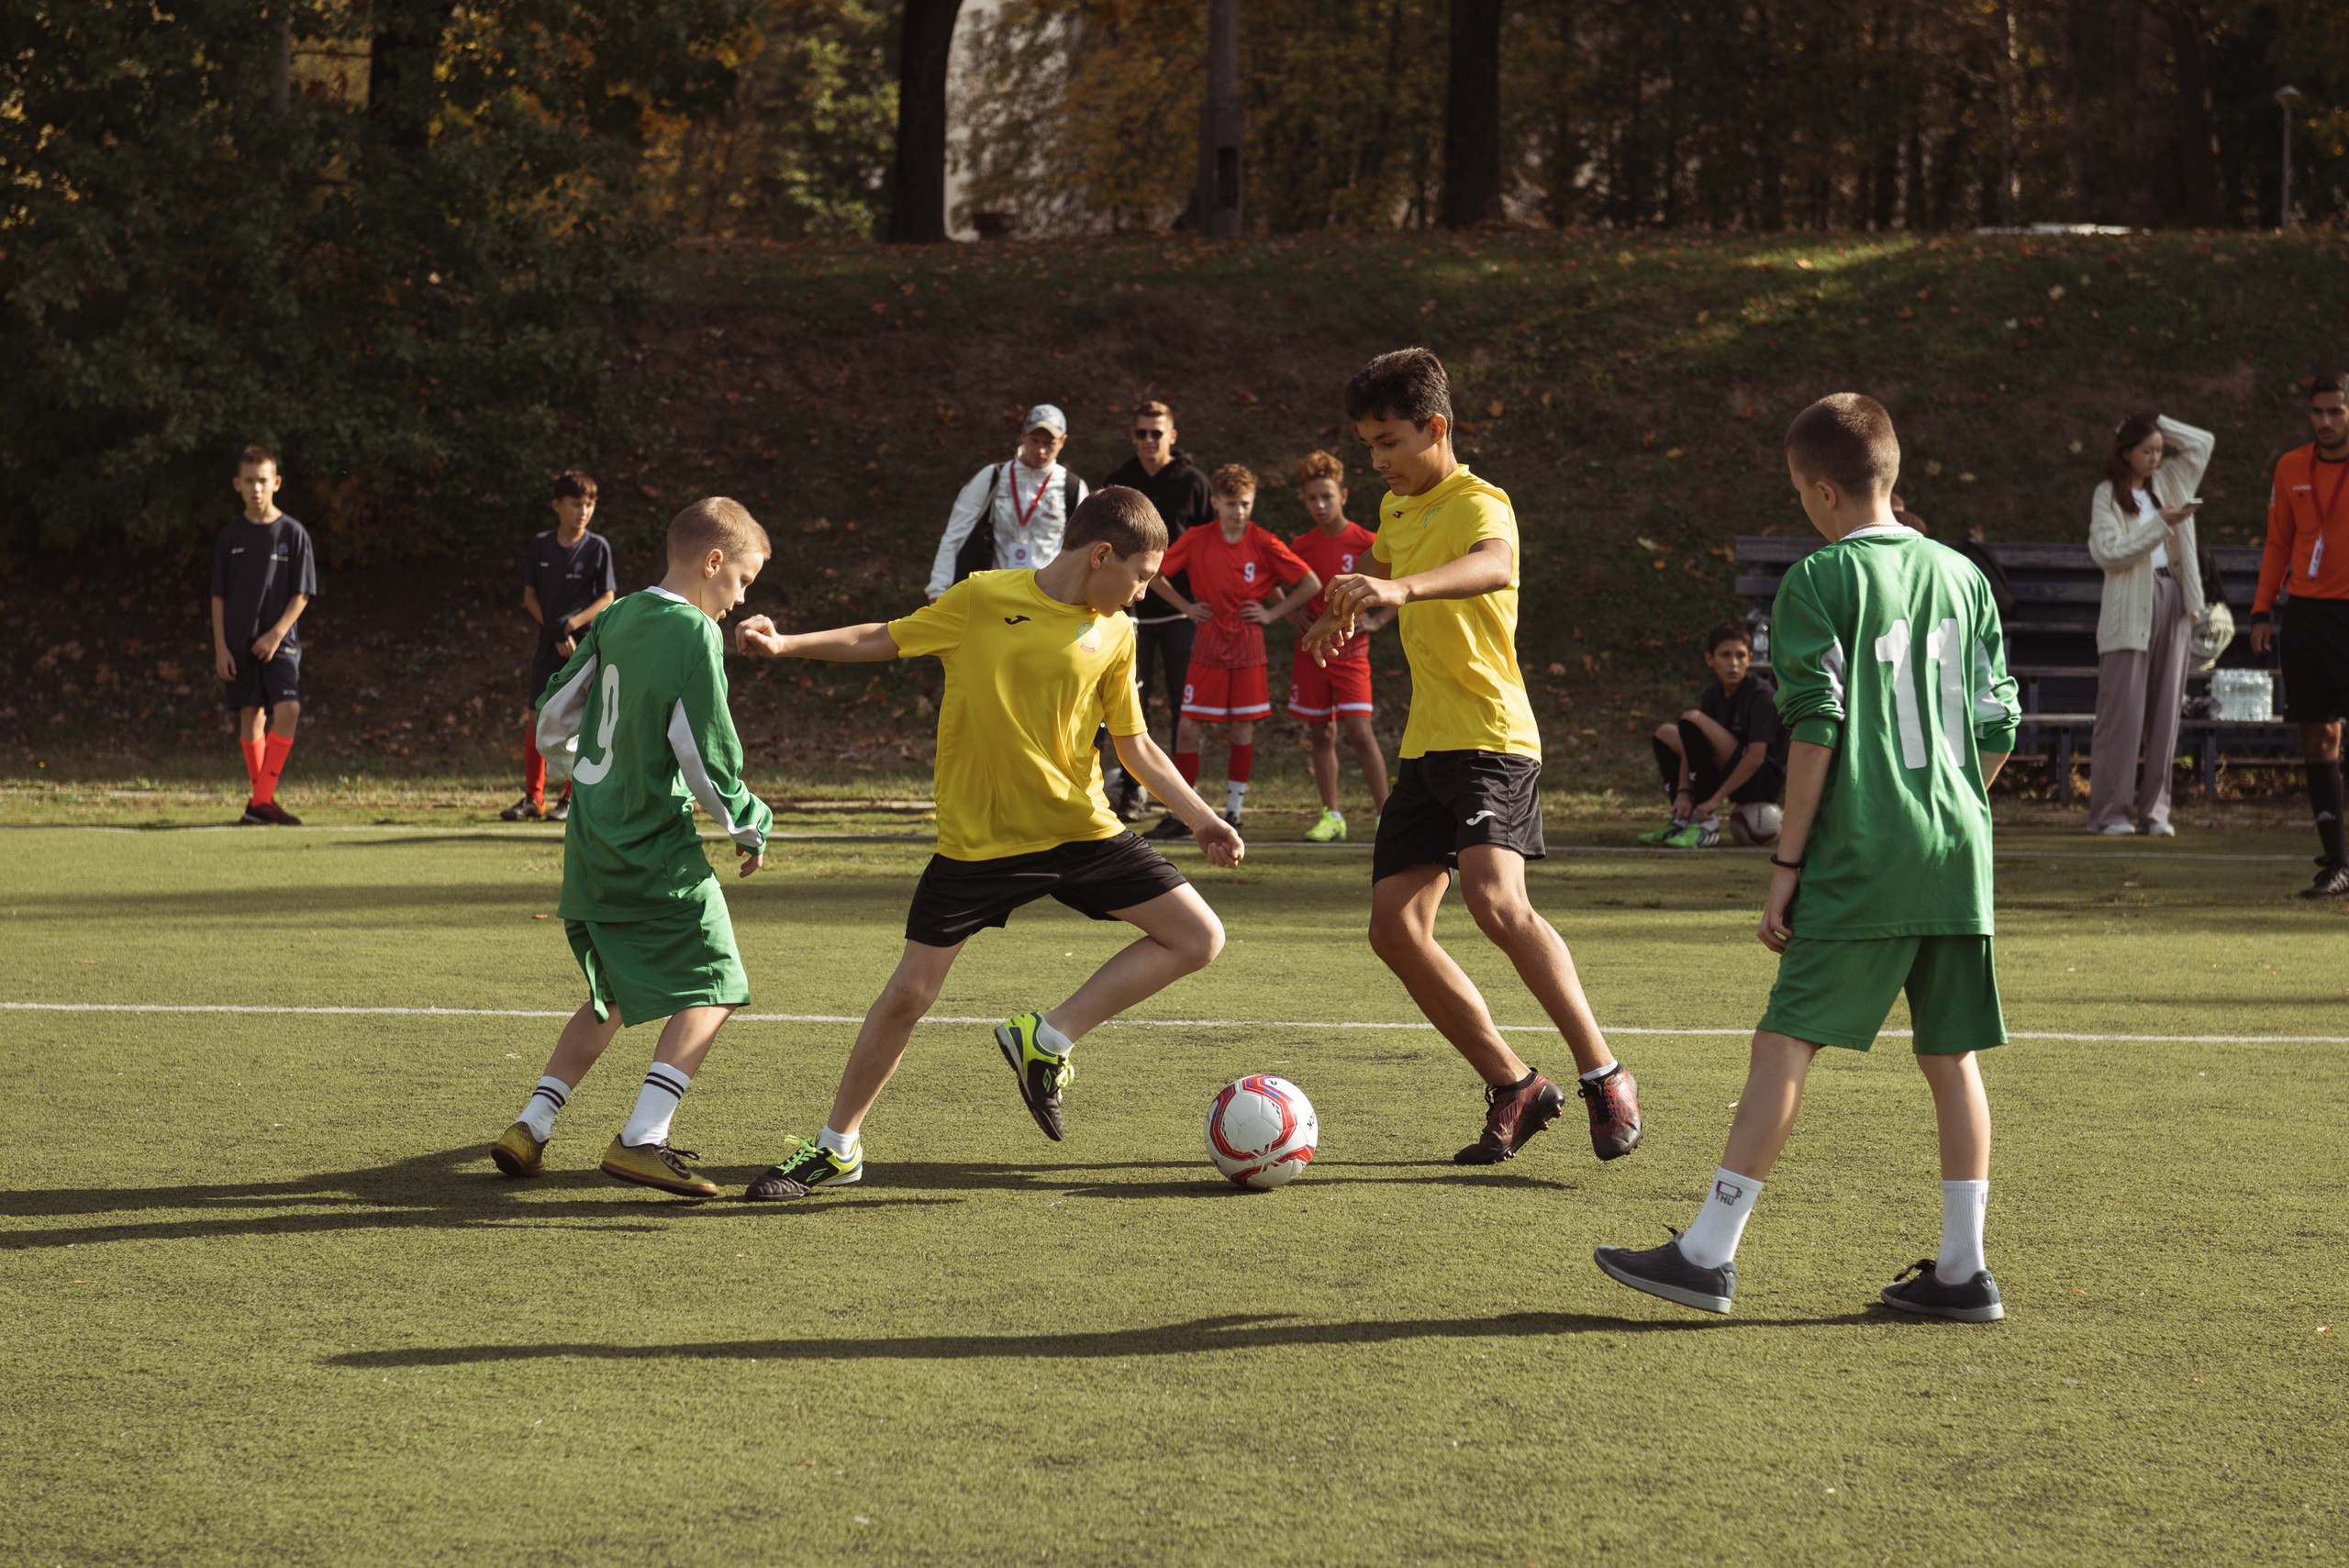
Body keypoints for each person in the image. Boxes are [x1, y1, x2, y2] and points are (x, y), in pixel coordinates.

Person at [1594, 393, 2021, 1321]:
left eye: (1798, 491)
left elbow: (1816, 730)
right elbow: (1999, 723)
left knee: (1783, 1037)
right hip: (1959, 844)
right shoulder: (1962, 575)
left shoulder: (1817, 580)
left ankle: (1706, 1253)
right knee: (1950, 1056)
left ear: (1823, 490)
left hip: (1865, 847)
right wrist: (1948, 798)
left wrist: (1786, 863)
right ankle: (1963, 1268)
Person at [729, 488, 1243, 1200]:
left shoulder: (1116, 633)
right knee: (909, 993)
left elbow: (1137, 746)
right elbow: (887, 635)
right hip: (981, 843)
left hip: (1078, 829)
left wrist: (1201, 818)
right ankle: (837, 1146)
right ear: (1100, 555)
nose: (1146, 591)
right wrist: (787, 643)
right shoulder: (982, 599)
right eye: (1142, 575)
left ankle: (1050, 1038)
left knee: (1198, 936)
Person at [1302, 348, 1642, 1167]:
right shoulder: (1395, 508)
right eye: (1368, 447)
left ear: (1437, 428)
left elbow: (1494, 564)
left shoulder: (1481, 501)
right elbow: (1381, 571)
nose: (1378, 462)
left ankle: (1604, 1073)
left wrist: (1403, 590)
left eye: (1389, 442)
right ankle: (1515, 1084)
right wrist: (1350, 602)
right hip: (1426, 745)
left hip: (1492, 733)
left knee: (1496, 901)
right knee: (1395, 930)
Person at [487, 498, 775, 1198]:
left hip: (590, 835)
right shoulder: (694, 634)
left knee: (612, 986)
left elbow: (553, 713)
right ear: (713, 562)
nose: (740, 601)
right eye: (742, 581)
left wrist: (593, 767)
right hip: (651, 843)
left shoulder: (615, 616)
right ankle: (644, 1135)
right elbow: (706, 753)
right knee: (718, 981)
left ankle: (532, 1124)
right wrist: (749, 823)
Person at [1141, 464, 1321, 834]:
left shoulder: (1264, 541)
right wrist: (1186, 606)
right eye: (1231, 504)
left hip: (1248, 644)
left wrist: (1272, 613)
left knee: (1243, 730)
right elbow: (1154, 573)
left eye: (1245, 504)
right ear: (1216, 503)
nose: (1239, 512)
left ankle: (1234, 809)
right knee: (1189, 727)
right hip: (1206, 641)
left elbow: (1311, 583)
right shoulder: (1198, 537)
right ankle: (1181, 812)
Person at [2086, 414, 2211, 838]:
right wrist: (2163, 524)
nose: (2157, 457)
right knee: (2121, 715)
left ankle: (2155, 813)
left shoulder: (2171, 481)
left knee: (2165, 714)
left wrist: (2154, 421)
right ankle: (2110, 814)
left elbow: (2202, 443)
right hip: (2128, 609)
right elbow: (2109, 553)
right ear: (2125, 453)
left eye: (2160, 449)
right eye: (2147, 450)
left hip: (2174, 599)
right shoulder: (2107, 494)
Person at [2251, 371, 2349, 898]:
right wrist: (2261, 610)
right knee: (2318, 737)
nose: (2327, 422)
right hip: (2307, 618)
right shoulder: (2291, 466)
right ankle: (2337, 862)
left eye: (2337, 411)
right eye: (2318, 412)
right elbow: (2277, 543)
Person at [1102, 399, 1217, 817]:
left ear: (1172, 435)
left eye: (1157, 432)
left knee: (1186, 710)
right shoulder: (1119, 482)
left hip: (1184, 614)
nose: (1149, 440)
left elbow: (1211, 545)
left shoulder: (1193, 481)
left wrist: (1198, 602)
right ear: (1133, 436)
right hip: (1128, 614)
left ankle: (1183, 803)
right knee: (1129, 705)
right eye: (1141, 433)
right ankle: (1132, 794)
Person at [1284, 450, 1393, 842]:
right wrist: (1289, 613)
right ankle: (1332, 816)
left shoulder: (1368, 541)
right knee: (1320, 734)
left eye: (1327, 496)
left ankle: (1386, 816)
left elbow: (1401, 580)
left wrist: (1378, 620)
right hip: (1313, 651)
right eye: (1312, 498)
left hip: (1351, 652)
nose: (1320, 505)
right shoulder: (1301, 544)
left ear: (1343, 495)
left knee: (1360, 733)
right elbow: (1273, 576)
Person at [211, 445, 317, 827]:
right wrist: (222, 647)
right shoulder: (229, 537)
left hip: (280, 643)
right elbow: (218, 596)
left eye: (264, 480)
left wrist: (275, 635)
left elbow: (302, 593)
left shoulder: (293, 532)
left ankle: (260, 801)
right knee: (251, 716)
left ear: (276, 483)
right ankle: (262, 805)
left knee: (289, 709)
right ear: (237, 485)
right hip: (239, 644)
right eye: (250, 481)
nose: (257, 488)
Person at [504, 470, 617, 823]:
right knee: (538, 716)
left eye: (589, 505)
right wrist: (553, 629)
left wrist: (571, 625)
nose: (583, 511)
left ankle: (571, 796)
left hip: (582, 647)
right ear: (557, 505)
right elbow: (529, 597)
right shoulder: (541, 545)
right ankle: (533, 799)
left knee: (579, 720)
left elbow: (608, 598)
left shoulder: (598, 547)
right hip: (547, 644)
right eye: (575, 504)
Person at [1637, 620, 1786, 848]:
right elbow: (1693, 743)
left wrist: (1715, 800)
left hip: (1760, 781)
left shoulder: (1761, 695)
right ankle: (1681, 818)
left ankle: (1706, 823)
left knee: (1691, 718)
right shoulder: (1713, 694)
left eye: (1740, 655)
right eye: (1725, 655)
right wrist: (1683, 791)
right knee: (1664, 733)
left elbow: (1756, 757)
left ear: (1750, 658)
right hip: (1731, 767)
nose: (1733, 663)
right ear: (1709, 659)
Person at [926, 404, 1087, 600]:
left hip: (1047, 599)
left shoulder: (1072, 487)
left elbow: (1085, 550)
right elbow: (955, 536)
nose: (1041, 450)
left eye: (1049, 443)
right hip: (995, 594)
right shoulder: (992, 476)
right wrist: (938, 589)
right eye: (1034, 440)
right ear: (1022, 435)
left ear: (1062, 441)